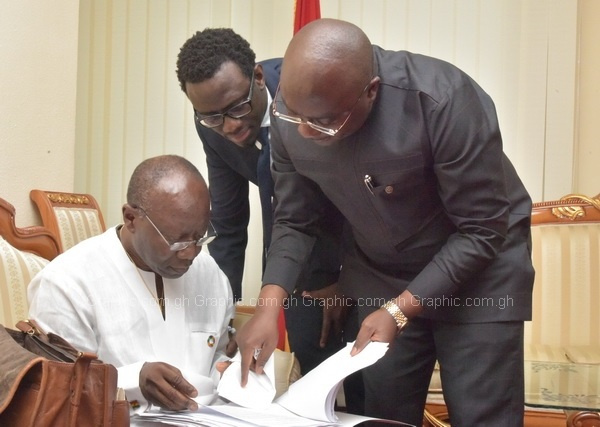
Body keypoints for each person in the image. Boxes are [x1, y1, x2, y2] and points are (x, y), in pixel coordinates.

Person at [236, 18, 535, 427]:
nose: (304, 131)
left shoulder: (444, 99)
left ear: (370, 91)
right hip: (382, 272)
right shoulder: (292, 115)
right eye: (294, 114)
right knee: (382, 415)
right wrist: (269, 307)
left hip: (479, 275)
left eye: (322, 121)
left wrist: (399, 311)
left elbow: (482, 230)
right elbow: (295, 219)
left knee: (481, 413)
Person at [174, 28, 364, 409]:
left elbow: (354, 197)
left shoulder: (304, 94)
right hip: (296, 266)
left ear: (258, 77)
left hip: (357, 256)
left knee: (365, 387)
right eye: (212, 117)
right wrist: (222, 317)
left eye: (237, 108)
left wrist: (339, 278)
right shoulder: (212, 123)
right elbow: (229, 226)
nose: (228, 126)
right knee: (315, 378)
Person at [28, 155, 234, 417]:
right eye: (177, 241)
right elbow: (62, 393)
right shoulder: (66, 284)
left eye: (200, 236)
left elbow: (218, 358)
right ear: (131, 218)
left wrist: (232, 369)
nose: (190, 253)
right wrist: (132, 382)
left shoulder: (209, 273)